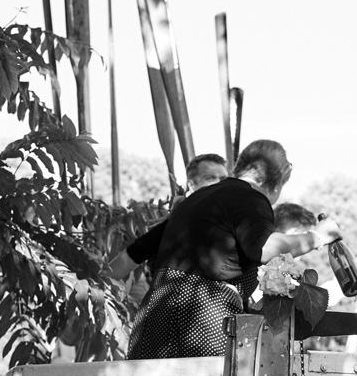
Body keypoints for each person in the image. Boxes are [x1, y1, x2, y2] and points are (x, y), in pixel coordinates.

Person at [127, 140, 340, 360]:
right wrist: (317, 238)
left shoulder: (197, 199)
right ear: (279, 180)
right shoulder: (252, 198)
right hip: (202, 321)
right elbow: (264, 248)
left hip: (153, 320)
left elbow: (132, 253)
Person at [106, 153, 230, 281]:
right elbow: (114, 271)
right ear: (192, 185)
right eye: (210, 178)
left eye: (224, 178)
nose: (219, 183)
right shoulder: (174, 227)